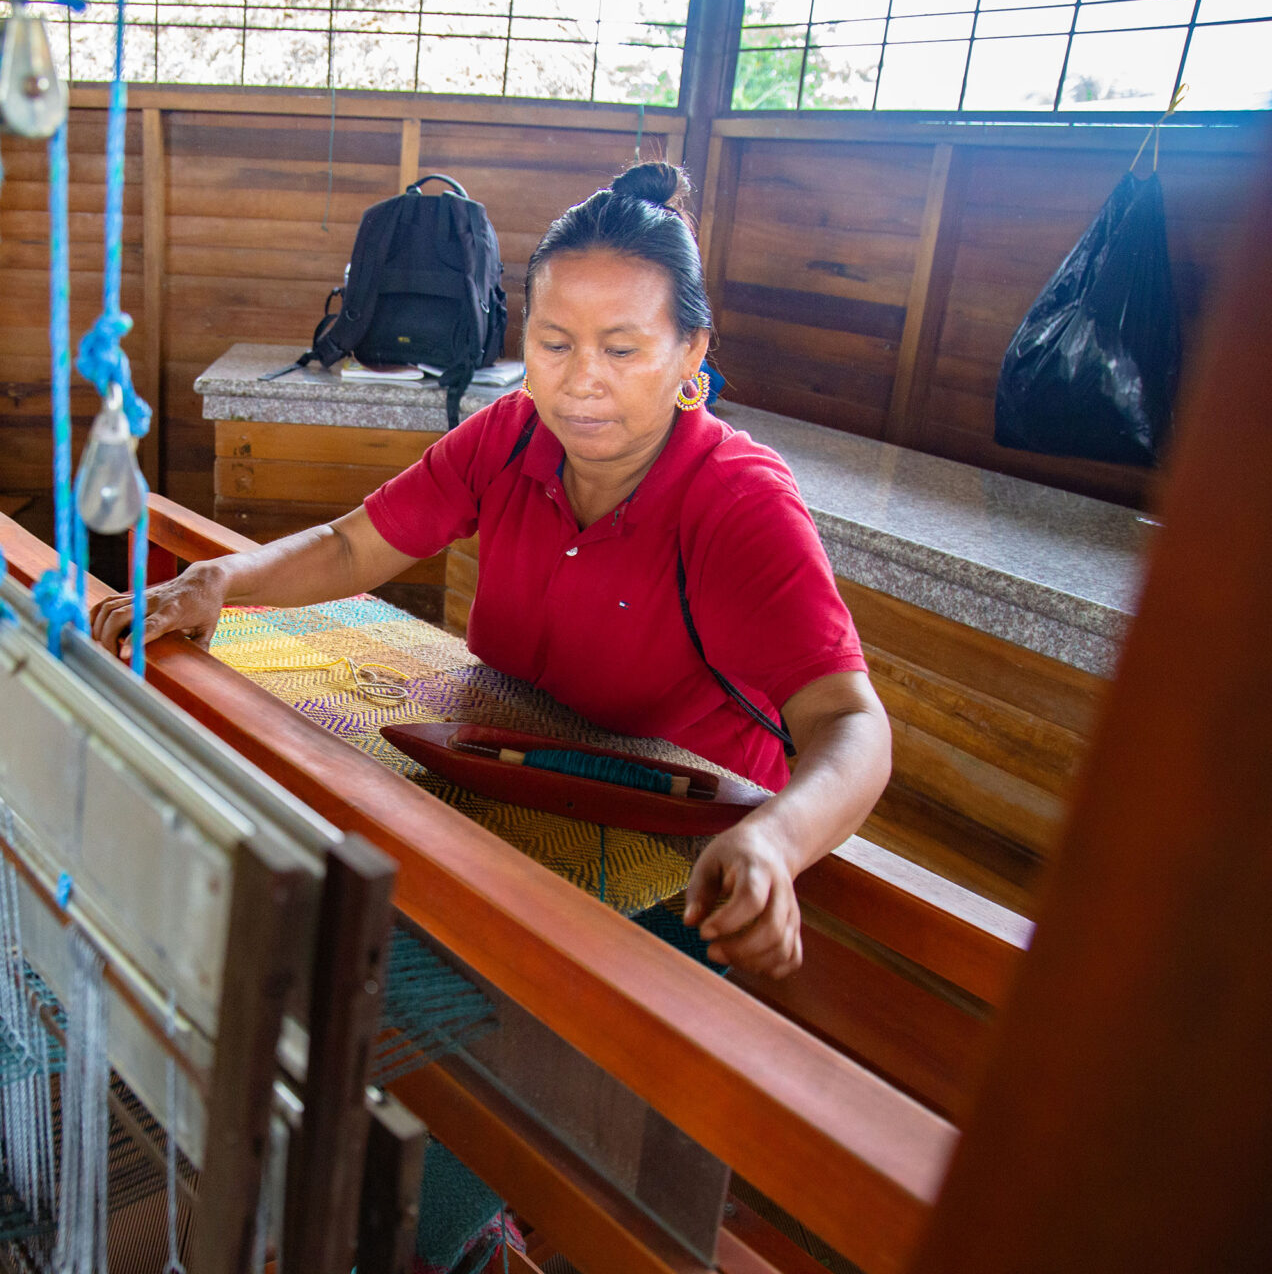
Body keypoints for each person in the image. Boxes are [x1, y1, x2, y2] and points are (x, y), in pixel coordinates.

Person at [93, 162, 891, 980]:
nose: (582, 380)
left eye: (622, 348)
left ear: (692, 352)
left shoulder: (735, 501)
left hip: (680, 862)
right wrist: (221, 581)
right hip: (506, 794)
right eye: (554, 343)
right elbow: (353, 546)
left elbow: (851, 723)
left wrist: (771, 844)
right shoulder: (512, 434)